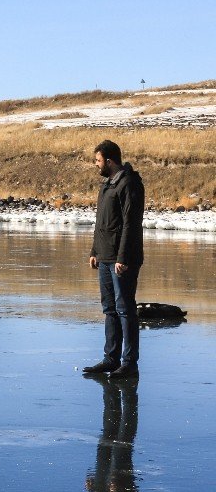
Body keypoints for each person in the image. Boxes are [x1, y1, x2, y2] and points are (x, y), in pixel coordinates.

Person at [83, 140, 145, 379]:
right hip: (105, 256)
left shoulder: (129, 183)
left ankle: (129, 363)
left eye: (97, 160)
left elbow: (130, 223)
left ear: (109, 161)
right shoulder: (107, 185)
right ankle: (111, 359)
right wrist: (94, 251)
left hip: (122, 259)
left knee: (125, 309)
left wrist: (123, 257)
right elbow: (102, 224)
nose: (95, 165)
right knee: (109, 308)